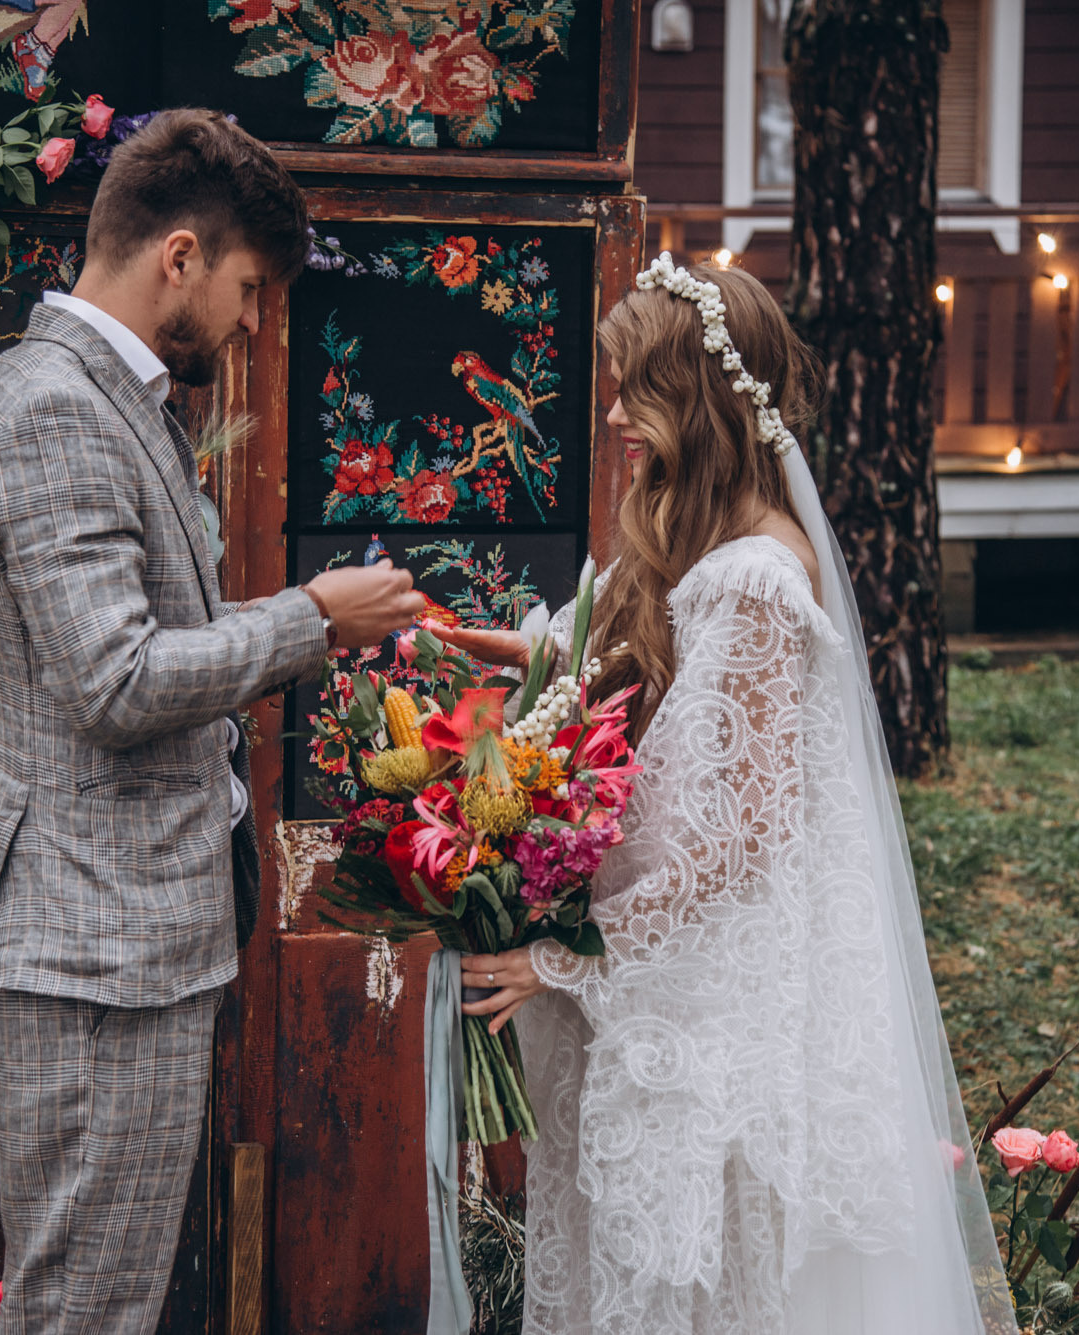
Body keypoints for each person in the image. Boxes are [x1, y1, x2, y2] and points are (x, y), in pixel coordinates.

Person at [432, 256, 1015, 1334]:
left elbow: (732, 836)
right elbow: (604, 656)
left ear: (697, 398)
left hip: (710, 1003)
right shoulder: (678, 534)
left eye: (632, 388)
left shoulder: (753, 577)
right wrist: (512, 660)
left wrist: (559, 956)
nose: (611, 414)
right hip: (659, 975)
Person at [0, 109, 424, 1335]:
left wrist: (323, 618)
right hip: (89, 956)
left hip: (120, 943)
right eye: (250, 289)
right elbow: (114, 685)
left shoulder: (105, 396)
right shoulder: (57, 409)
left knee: (107, 1300)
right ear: (180, 258)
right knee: (85, 1311)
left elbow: (144, 636)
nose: (253, 324)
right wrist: (311, 615)